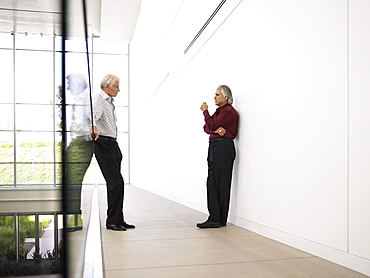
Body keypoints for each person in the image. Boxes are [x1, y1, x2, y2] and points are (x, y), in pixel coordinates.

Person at [90, 74, 134, 231]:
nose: (119, 89)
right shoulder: (99, 99)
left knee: (118, 184)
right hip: (103, 144)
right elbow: (92, 116)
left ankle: (118, 219)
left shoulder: (109, 102)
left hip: (112, 144)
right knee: (115, 183)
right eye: (116, 86)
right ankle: (112, 222)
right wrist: (93, 127)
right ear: (107, 86)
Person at [197, 85, 238, 228]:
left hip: (223, 147)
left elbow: (210, 123)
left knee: (222, 184)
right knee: (212, 183)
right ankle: (214, 218)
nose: (214, 97)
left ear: (225, 97)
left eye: (217, 95)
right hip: (215, 146)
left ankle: (219, 219)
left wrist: (205, 112)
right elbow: (206, 128)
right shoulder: (219, 112)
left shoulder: (228, 112)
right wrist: (214, 128)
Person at [65, 73, 93, 231]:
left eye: (69, 84)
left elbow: (94, 122)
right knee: (70, 182)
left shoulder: (88, 101)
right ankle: (74, 219)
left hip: (83, 143)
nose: (68, 88)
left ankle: (76, 220)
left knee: (74, 182)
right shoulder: (77, 101)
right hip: (75, 142)